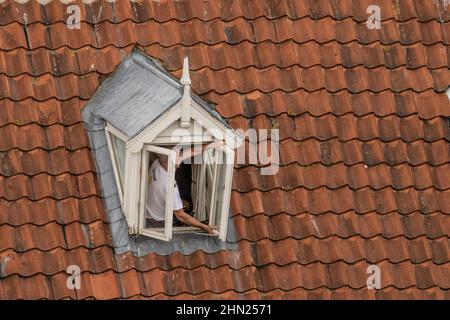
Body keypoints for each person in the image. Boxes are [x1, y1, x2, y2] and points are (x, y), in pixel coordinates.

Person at [145, 143, 221, 235]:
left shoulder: (158, 163)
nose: (181, 156)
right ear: (171, 160)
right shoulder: (169, 186)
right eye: (178, 155)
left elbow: (192, 151)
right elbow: (181, 216)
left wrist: (213, 145)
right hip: (158, 221)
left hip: (149, 210)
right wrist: (205, 227)